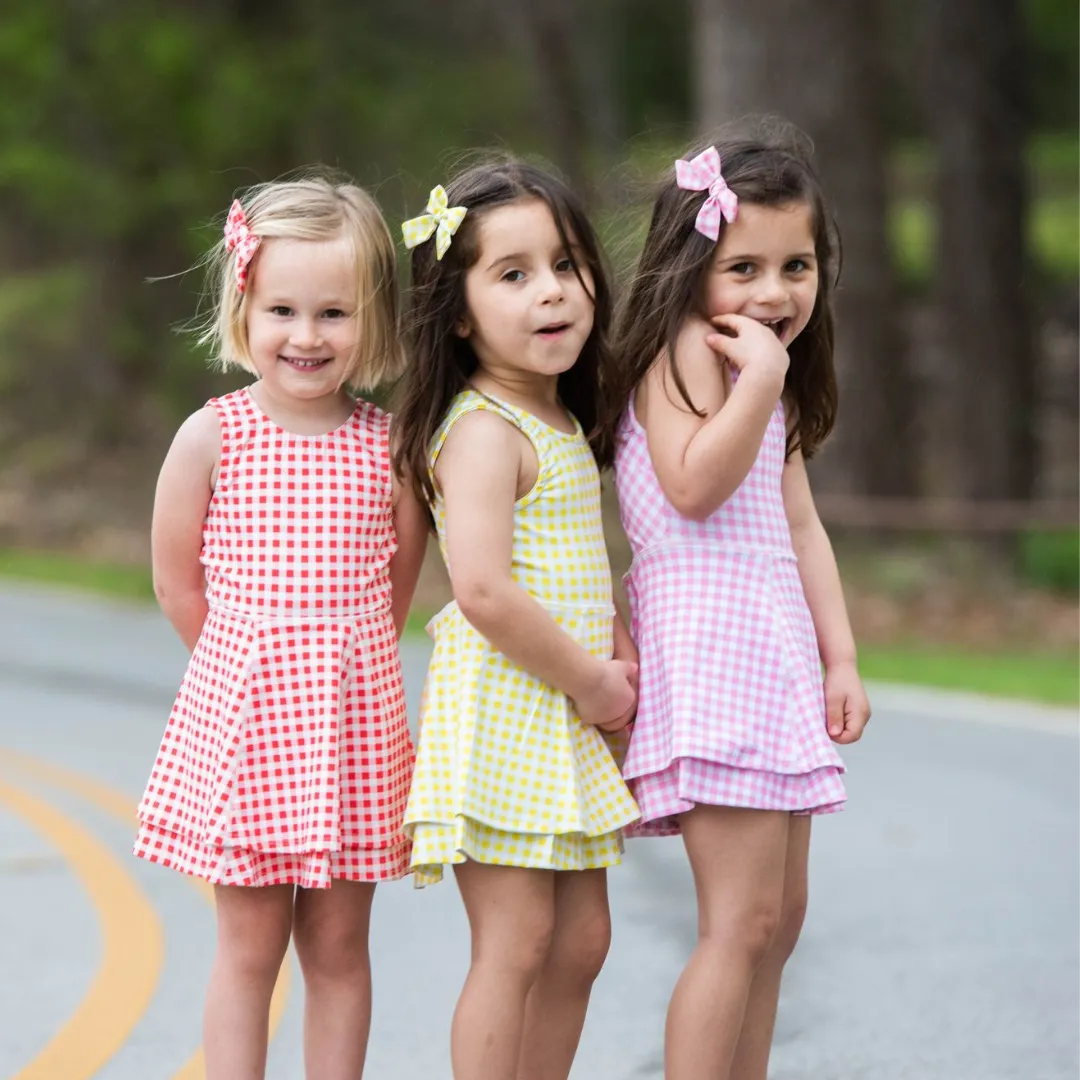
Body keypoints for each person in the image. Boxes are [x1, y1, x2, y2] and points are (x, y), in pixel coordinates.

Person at [133, 174, 427, 1080]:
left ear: (369, 319)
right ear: (245, 307)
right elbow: (175, 580)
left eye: (334, 313)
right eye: (284, 310)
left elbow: (395, 589)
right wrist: (243, 673)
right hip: (247, 727)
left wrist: (328, 671)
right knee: (249, 949)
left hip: (350, 730)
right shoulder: (211, 436)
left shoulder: (391, 448)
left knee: (338, 949)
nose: (307, 336)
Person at [607, 123, 872, 1080]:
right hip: (709, 653)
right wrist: (758, 378)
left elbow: (802, 530)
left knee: (779, 923)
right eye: (744, 267)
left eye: (795, 265)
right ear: (690, 271)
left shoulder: (775, 385)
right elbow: (689, 486)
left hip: (775, 657)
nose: (773, 292)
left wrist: (839, 655)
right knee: (740, 921)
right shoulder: (684, 356)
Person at [392, 159, 641, 1080]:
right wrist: (593, 679)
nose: (553, 292)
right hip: (506, 708)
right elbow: (486, 590)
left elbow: (574, 564)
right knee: (518, 943)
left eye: (567, 265)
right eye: (514, 274)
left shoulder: (558, 418)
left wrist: (611, 646)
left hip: (563, 708)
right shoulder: (485, 428)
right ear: (458, 313)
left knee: (581, 942)